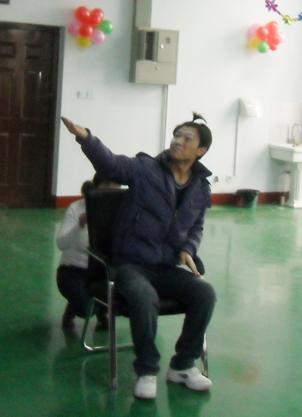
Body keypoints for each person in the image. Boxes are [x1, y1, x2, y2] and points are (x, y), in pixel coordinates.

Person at [61, 112, 216, 400]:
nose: (178, 141)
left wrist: (188, 249)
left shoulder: (200, 188)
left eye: (187, 138)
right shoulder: (146, 168)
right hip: (130, 265)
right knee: (144, 296)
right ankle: (147, 370)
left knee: (205, 293)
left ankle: (182, 365)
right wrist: (86, 138)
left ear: (201, 150)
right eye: (176, 135)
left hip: (166, 267)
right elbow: (112, 164)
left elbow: (197, 227)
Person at [56, 174, 120, 329]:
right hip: (73, 269)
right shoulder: (76, 208)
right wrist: (79, 224)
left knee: (126, 298)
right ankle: (80, 306)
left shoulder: (118, 210)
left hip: (103, 271)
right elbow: (61, 244)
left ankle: (101, 307)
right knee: (85, 309)